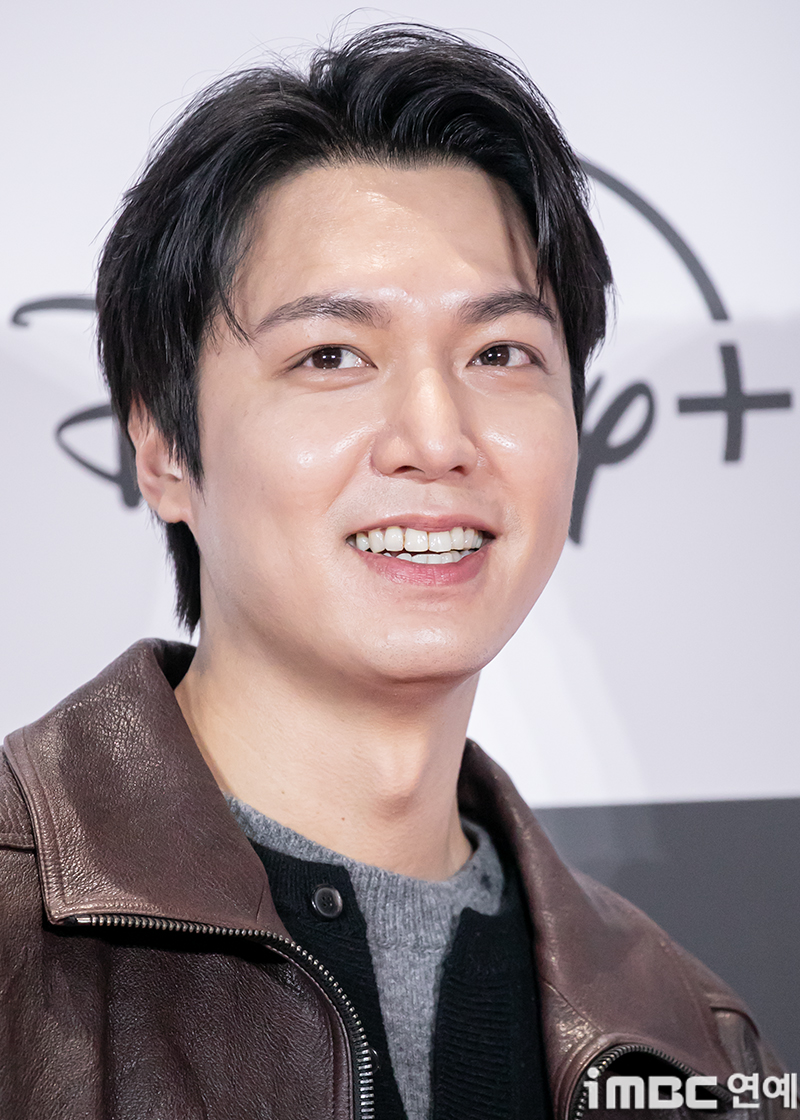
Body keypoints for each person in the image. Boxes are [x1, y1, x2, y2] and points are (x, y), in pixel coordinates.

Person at [0, 24, 782, 1120]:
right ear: (165, 451)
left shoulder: (686, 1035)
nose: (435, 437)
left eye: (500, 353)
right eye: (332, 356)